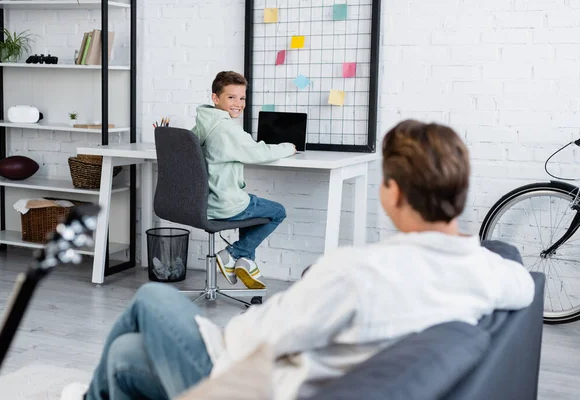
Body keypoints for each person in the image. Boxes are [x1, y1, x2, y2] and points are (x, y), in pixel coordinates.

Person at [61, 120, 535, 400]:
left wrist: (220, 334)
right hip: (302, 367)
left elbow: (255, 339)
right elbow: (524, 284)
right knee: (124, 358)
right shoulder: (493, 273)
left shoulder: (358, 273)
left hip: (264, 386)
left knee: (150, 297)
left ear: (391, 193)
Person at [192, 71, 295, 289]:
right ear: (215, 98)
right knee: (277, 212)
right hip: (224, 204)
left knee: (252, 205)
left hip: (202, 202)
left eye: (242, 98)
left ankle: (244, 261)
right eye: (231, 97)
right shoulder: (227, 129)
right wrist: (288, 147)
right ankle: (234, 253)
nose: (238, 104)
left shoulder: (202, 124)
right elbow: (259, 153)